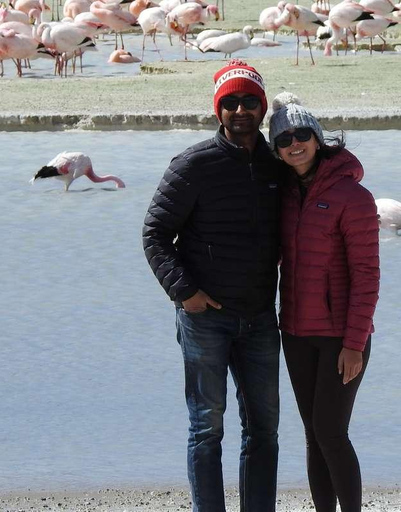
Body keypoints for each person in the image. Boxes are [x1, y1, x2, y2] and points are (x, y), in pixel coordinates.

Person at [142, 60, 285, 512]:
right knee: (207, 428)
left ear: (262, 107)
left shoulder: (277, 163)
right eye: (230, 102)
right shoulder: (193, 165)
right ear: (217, 110)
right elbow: (155, 234)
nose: (240, 110)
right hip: (205, 318)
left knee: (263, 429)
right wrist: (184, 293)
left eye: (249, 101)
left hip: (261, 317)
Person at [268, 93, 380, 512]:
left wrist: (354, 343)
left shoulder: (354, 197)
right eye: (283, 139)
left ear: (317, 138)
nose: (293, 144)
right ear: (275, 150)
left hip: (341, 338)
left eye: (301, 134)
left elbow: (367, 276)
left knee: (332, 432)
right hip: (296, 333)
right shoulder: (284, 195)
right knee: (314, 434)